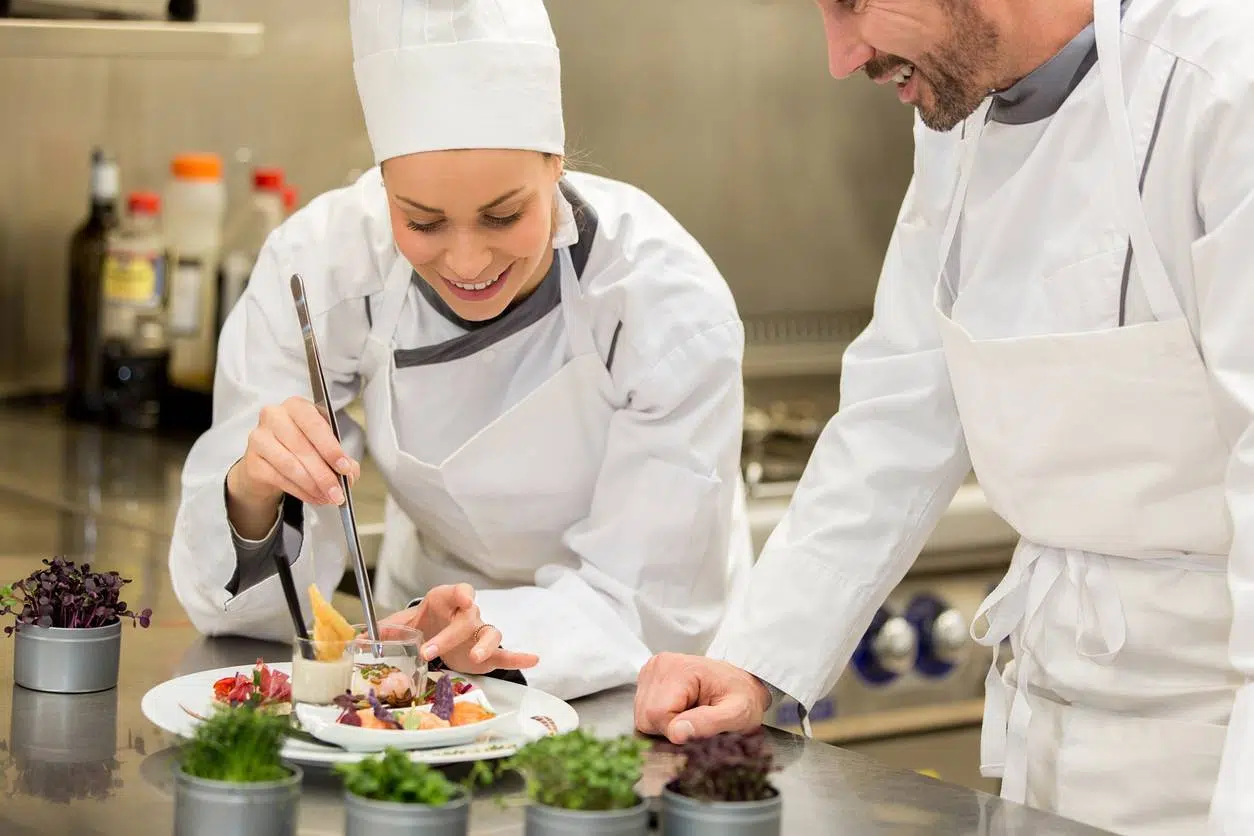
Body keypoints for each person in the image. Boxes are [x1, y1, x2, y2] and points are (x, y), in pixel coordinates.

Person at [634, 0, 1254, 832]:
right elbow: (900, 406)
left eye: (854, 3)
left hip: (1218, 752)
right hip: (1052, 729)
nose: (839, 55)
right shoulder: (959, 110)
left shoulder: (1223, 81)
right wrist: (755, 661)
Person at [168, 0, 753, 702]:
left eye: (505, 215)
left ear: (557, 166)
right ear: (382, 183)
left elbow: (648, 606)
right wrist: (253, 492)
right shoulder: (321, 269)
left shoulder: (663, 301)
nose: (468, 259)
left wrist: (483, 630)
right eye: (422, 221)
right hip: (422, 654)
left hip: (635, 682)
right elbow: (247, 611)